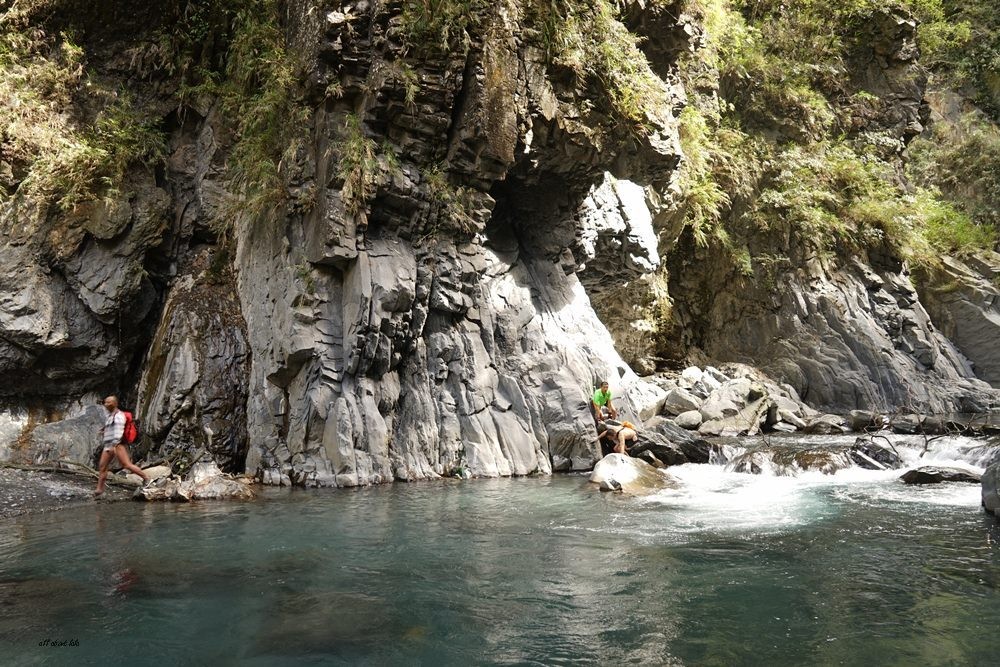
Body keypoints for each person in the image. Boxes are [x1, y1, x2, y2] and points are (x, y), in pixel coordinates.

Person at [94, 395, 149, 497]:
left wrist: (114, 445)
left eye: (108, 402)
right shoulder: (110, 415)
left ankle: (146, 478)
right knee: (102, 467)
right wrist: (104, 430)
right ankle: (99, 490)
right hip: (108, 445)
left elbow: (119, 431)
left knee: (126, 465)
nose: (106, 404)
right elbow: (111, 427)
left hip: (116, 445)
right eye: (105, 402)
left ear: (114, 403)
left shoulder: (119, 415)